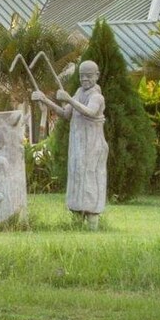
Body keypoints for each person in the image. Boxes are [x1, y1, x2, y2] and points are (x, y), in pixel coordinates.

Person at [32, 60, 108, 228]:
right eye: (81, 76)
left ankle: (92, 221)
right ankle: (77, 218)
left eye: (89, 76)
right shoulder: (79, 92)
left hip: (92, 145)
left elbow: (90, 112)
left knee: (90, 178)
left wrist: (69, 99)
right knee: (77, 177)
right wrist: (45, 100)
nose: (85, 79)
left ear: (97, 75)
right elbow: (66, 113)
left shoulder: (97, 97)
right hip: (78, 145)